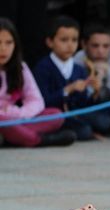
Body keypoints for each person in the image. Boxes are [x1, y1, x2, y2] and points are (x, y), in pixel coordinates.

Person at [0, 17, 75, 147]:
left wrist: (19, 114)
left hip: (17, 118)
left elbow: (36, 100)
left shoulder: (21, 67)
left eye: (9, 43)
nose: (3, 48)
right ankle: (38, 140)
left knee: (56, 115)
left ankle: (13, 137)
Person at [32, 15, 104, 141]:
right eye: (64, 40)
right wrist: (67, 90)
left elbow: (82, 105)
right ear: (50, 42)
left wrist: (95, 92)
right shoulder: (43, 67)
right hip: (54, 115)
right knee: (84, 130)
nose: (70, 45)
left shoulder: (79, 69)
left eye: (74, 40)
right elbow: (42, 102)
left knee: (103, 121)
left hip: (75, 114)